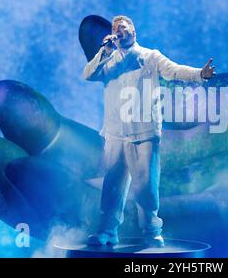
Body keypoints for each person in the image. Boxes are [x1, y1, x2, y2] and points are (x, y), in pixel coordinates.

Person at [83, 15, 215, 247]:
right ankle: (107, 231)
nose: (118, 31)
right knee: (112, 185)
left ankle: (151, 232)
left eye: (122, 27)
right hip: (115, 133)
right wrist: (103, 52)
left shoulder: (150, 57)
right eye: (115, 29)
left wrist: (199, 74)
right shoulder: (109, 61)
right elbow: (88, 74)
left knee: (146, 186)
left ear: (134, 32)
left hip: (144, 132)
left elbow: (174, 71)